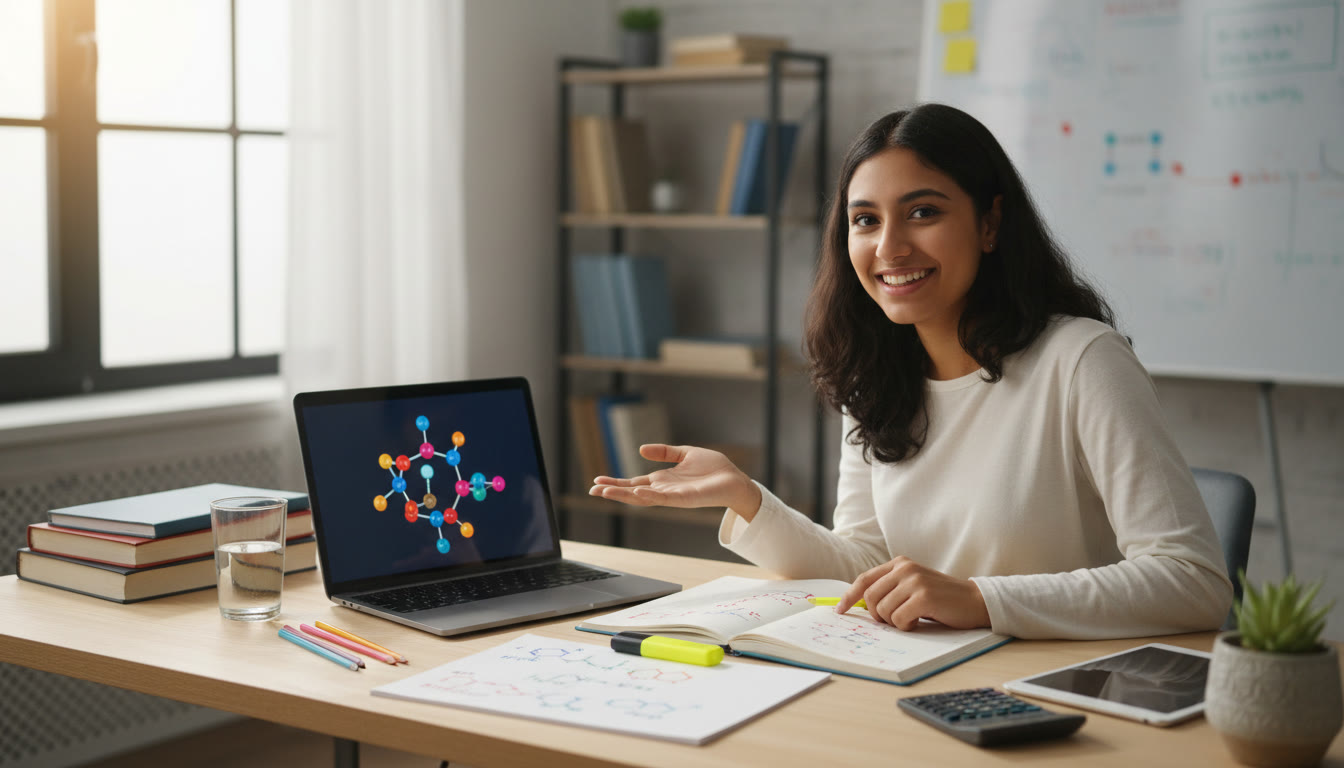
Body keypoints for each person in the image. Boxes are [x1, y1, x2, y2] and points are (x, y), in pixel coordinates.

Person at [589, 104, 1233, 640]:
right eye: (865, 220)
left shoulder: (1083, 361)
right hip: (923, 679)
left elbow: (1193, 581)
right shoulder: (877, 375)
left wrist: (979, 599)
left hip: (1060, 694)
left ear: (990, 223)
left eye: (923, 212)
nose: (890, 247)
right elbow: (864, 563)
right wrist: (746, 498)